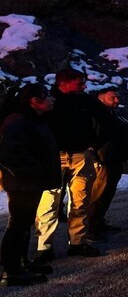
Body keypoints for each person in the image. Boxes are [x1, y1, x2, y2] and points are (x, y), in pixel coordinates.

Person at [34, 68, 110, 263]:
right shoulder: (49, 101)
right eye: (79, 83)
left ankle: (77, 242)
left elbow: (106, 119)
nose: (83, 86)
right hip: (54, 157)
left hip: (81, 155)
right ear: (63, 83)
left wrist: (94, 145)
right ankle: (44, 246)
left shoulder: (86, 101)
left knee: (80, 200)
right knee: (49, 201)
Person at [0, 84, 59, 286]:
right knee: (17, 226)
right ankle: (11, 271)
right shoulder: (17, 122)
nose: (52, 99)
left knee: (24, 225)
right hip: (22, 184)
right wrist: (34, 172)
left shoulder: (33, 120)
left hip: (30, 183)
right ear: (34, 101)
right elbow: (11, 154)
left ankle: (22, 263)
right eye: (47, 96)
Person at [89, 87, 128, 238]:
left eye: (117, 97)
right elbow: (93, 137)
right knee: (98, 195)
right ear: (101, 98)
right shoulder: (97, 115)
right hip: (104, 160)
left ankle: (98, 223)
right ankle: (91, 228)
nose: (117, 101)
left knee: (107, 194)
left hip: (114, 159)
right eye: (112, 98)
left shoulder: (113, 114)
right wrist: (96, 158)